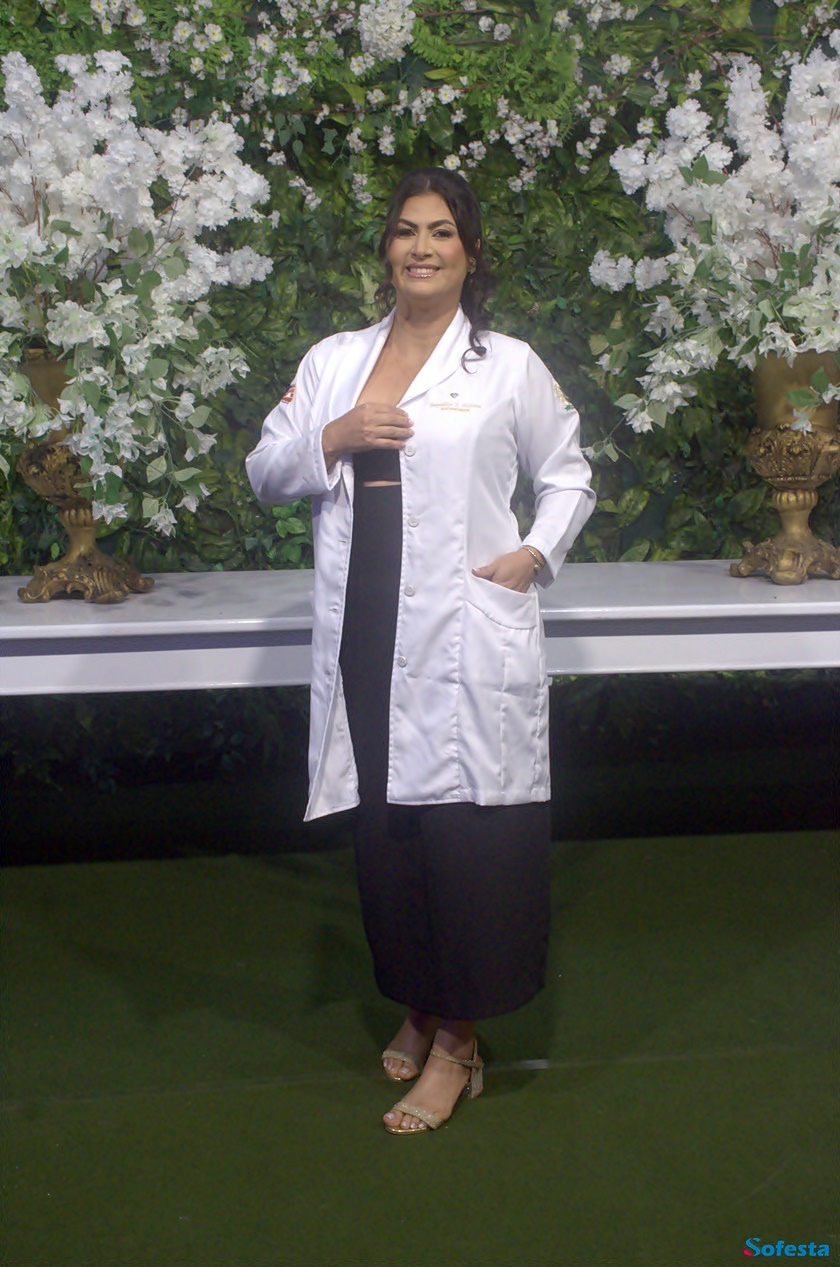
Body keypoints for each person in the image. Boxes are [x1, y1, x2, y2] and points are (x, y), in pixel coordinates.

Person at [246, 167, 595, 1135]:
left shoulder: (508, 366)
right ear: (387, 250)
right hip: (365, 626)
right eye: (406, 231)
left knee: (469, 838)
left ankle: (458, 1041)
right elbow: (267, 470)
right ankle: (421, 1000)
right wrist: (336, 433)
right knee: (390, 831)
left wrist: (534, 554)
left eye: (442, 232)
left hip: (465, 625)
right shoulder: (335, 360)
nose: (422, 248)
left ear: (470, 254)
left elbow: (569, 476)